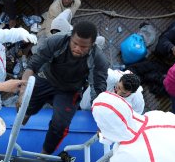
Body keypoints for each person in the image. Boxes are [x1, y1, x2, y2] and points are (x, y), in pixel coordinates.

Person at [20, 21, 109, 154]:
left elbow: (97, 90)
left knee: (60, 125)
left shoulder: (98, 59)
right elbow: (33, 64)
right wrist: (23, 92)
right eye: (75, 43)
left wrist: (102, 121)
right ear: (70, 37)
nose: (78, 48)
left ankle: (44, 154)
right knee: (25, 107)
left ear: (92, 45)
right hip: (46, 78)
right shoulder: (57, 41)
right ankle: (21, 124)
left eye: (84, 47)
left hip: (69, 90)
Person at [80, 70, 145, 114]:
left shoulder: (137, 100)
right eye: (118, 88)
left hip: (111, 115)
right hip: (97, 92)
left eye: (123, 93)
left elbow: (136, 117)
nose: (118, 94)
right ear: (119, 80)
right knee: (84, 107)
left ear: (132, 92)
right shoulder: (109, 76)